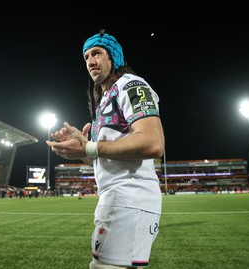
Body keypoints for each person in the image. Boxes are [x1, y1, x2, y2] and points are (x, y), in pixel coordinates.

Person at [46, 29, 165, 269]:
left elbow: (153, 142)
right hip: (123, 200)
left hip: (128, 199)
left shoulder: (130, 84)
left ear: (114, 57)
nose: (90, 61)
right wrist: (82, 148)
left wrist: (89, 147)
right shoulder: (104, 101)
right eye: (86, 56)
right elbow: (103, 158)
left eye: (97, 53)